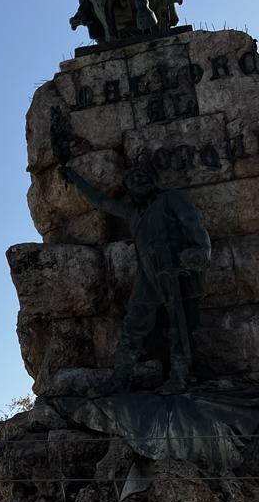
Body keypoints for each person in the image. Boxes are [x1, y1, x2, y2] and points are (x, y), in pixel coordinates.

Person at [60, 163, 210, 392]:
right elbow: (102, 201)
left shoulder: (170, 200)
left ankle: (180, 375)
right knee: (133, 323)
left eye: (143, 175)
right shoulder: (132, 212)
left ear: (154, 180)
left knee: (179, 325)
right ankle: (121, 377)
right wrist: (75, 178)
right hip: (148, 272)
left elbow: (194, 225)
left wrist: (201, 251)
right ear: (128, 187)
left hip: (173, 266)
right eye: (133, 178)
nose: (139, 179)